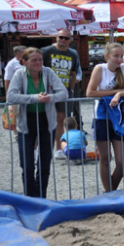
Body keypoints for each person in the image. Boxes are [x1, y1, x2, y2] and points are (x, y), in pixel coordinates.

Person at [7, 47, 68, 198]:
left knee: (45, 164)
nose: (38, 63)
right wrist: (34, 98)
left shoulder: (48, 72)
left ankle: (41, 198)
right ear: (24, 62)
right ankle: (30, 199)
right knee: (27, 165)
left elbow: (63, 93)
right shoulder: (19, 74)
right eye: (34, 60)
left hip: (47, 121)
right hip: (25, 121)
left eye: (40, 60)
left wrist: (50, 97)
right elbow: (11, 96)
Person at [86, 43, 124, 192]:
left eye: (121, 56)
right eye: (116, 56)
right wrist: (116, 91)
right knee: (105, 158)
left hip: (120, 117)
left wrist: (120, 94)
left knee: (122, 161)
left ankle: (109, 191)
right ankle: (110, 193)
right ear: (107, 56)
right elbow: (90, 92)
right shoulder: (100, 69)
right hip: (101, 116)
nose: (119, 59)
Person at [42, 29, 80, 160]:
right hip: (47, 92)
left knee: (61, 120)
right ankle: (37, 149)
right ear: (56, 37)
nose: (63, 40)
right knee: (42, 120)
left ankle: (58, 148)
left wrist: (72, 89)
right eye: (60, 37)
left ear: (70, 40)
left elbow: (73, 73)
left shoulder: (73, 54)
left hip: (64, 92)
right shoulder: (46, 51)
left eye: (66, 38)